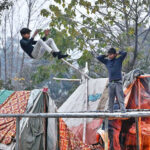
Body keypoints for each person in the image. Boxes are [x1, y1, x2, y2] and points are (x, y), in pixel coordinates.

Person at [97, 48, 127, 113]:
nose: (110, 56)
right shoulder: (107, 61)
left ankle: (123, 111)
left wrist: (118, 53)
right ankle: (110, 112)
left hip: (118, 82)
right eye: (109, 55)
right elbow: (98, 57)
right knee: (111, 99)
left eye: (111, 54)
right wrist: (106, 55)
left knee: (120, 98)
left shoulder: (119, 60)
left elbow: (124, 53)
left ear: (114, 54)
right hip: (111, 83)